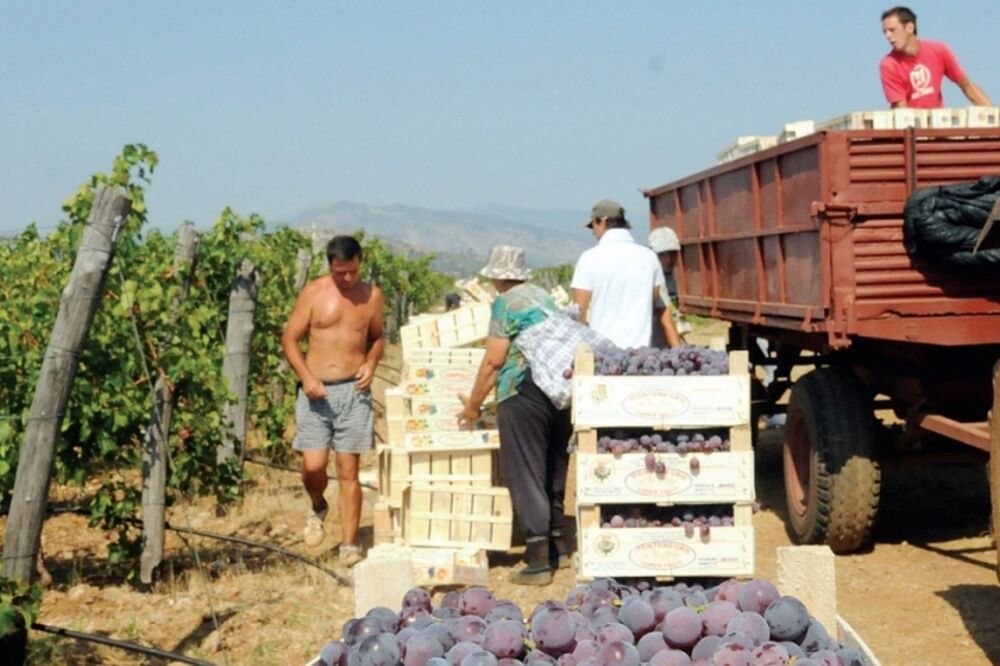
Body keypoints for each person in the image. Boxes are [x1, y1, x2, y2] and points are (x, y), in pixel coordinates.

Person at [457, 245, 571, 586]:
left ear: (496, 276)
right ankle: (559, 547)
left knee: (525, 470)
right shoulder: (543, 298)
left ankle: (537, 561)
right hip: (557, 390)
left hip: (522, 392)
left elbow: (494, 360)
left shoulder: (506, 303)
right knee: (552, 464)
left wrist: (473, 404)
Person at [281, 235, 384, 566]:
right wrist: (306, 377)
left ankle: (349, 544)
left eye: (353, 271)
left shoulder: (372, 296)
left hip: (353, 392)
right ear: (330, 266)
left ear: (360, 263)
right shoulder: (314, 293)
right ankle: (318, 504)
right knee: (312, 466)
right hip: (316, 392)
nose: (348, 279)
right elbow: (290, 339)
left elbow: (378, 338)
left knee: (348, 469)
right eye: (341, 273)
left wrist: (370, 363)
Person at [571, 199, 680, 349]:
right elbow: (652, 303)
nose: (593, 232)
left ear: (602, 221)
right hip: (640, 358)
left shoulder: (588, 258)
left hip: (604, 355)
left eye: (593, 226)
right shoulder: (649, 258)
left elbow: (579, 313)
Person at [879, 6, 993, 109]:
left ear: (910, 28)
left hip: (937, 124)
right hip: (910, 128)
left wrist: (995, 117)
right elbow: (901, 108)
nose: (887, 36)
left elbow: (966, 85)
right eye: (885, 32)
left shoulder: (939, 50)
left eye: (892, 30)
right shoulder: (888, 64)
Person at [648, 226, 690, 348]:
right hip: (650, 346)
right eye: (662, 255)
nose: (669, 260)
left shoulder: (670, 277)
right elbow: (665, 319)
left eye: (672, 254)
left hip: (665, 344)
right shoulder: (649, 280)